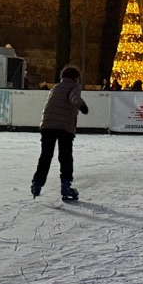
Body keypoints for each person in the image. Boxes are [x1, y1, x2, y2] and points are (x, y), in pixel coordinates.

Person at [30, 65, 89, 201]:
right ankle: (65, 186)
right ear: (75, 78)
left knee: (45, 156)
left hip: (47, 125)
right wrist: (82, 106)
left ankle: (37, 183)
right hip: (64, 127)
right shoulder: (74, 87)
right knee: (65, 156)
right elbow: (74, 98)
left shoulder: (56, 87)